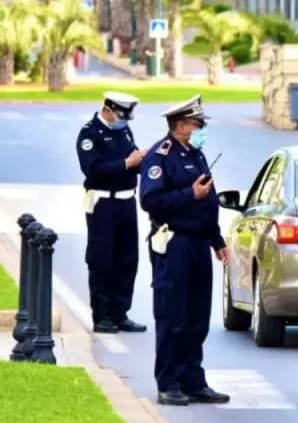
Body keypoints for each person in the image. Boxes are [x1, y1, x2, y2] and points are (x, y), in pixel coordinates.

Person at [139, 95, 230, 406]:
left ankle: (193, 380)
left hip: (198, 243)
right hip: (173, 242)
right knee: (172, 314)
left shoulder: (198, 154)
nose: (201, 128)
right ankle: (168, 382)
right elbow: (150, 201)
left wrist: (217, 240)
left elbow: (209, 203)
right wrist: (189, 193)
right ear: (180, 125)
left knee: (197, 316)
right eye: (197, 124)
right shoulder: (160, 156)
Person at [76, 91, 147, 334]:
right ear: (107, 109)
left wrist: (143, 160)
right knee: (102, 259)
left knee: (127, 259)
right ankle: (103, 315)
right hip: (103, 203)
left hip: (127, 201)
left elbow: (134, 160)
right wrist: (126, 164)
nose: (123, 121)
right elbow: (93, 170)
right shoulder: (90, 134)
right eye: (119, 115)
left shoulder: (124, 131)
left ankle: (120, 313)